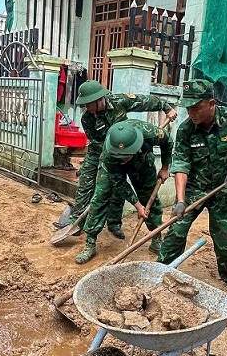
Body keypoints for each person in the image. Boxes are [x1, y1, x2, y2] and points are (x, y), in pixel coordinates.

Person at [157, 79, 227, 294]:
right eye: (188, 108)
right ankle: (162, 270)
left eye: (196, 107)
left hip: (224, 190)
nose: (191, 113)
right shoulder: (186, 130)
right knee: (176, 231)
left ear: (211, 103)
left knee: (225, 236)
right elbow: (181, 165)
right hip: (193, 190)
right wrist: (181, 201)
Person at [56, 80, 177, 239]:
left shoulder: (119, 101)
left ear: (99, 100)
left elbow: (145, 102)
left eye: (88, 104)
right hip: (101, 151)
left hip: (128, 149)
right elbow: (96, 143)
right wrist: (104, 165)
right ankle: (77, 220)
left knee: (118, 189)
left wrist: (166, 107)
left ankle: (114, 224)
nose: (86, 108)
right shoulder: (87, 118)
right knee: (87, 184)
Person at [75, 120, 172, 264]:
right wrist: (138, 206)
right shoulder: (109, 153)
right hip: (112, 164)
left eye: (125, 157)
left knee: (150, 197)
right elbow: (119, 183)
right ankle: (90, 243)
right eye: (120, 158)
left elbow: (168, 142)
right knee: (100, 197)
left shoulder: (150, 133)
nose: (123, 162)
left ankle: (156, 238)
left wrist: (165, 167)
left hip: (142, 160)